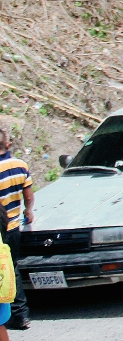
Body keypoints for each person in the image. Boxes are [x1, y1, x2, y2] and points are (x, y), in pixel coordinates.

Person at [0, 130, 33, 330]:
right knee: (12, 267)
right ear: (8, 144)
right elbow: (28, 196)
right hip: (14, 226)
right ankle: (20, 314)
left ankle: (11, 313)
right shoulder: (20, 165)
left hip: (0, 228)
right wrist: (28, 211)